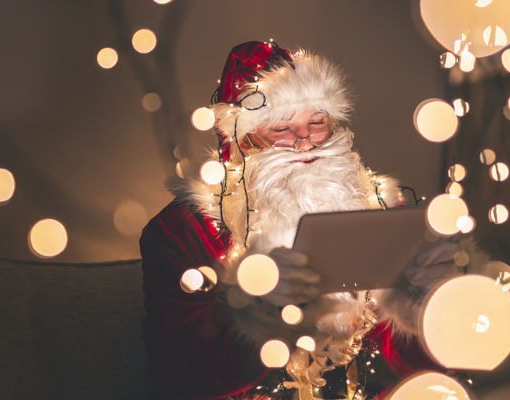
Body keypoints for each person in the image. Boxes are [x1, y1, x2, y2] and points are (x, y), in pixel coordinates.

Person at [140, 41, 482, 400]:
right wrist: (259, 314)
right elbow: (178, 378)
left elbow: (409, 368)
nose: (305, 142)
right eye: (282, 128)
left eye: (316, 122)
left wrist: (426, 308)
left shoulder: (374, 206)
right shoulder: (183, 231)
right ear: (243, 141)